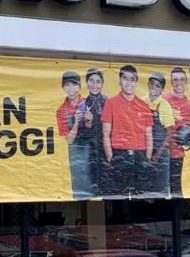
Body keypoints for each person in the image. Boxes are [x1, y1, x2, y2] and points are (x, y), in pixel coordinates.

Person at [102, 64, 153, 196]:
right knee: (118, 199)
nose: (128, 82)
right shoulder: (111, 103)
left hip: (140, 156)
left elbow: (149, 135)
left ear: (136, 82)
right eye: (125, 78)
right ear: (120, 81)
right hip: (119, 155)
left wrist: (146, 159)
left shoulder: (144, 106)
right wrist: (110, 157)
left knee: (139, 199)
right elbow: (105, 133)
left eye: (132, 79)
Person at [56, 70, 95, 199]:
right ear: (63, 88)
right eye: (67, 85)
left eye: (74, 85)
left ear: (79, 87)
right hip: (76, 152)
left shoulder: (89, 103)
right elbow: (69, 140)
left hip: (94, 148)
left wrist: (89, 119)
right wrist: (76, 123)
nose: (71, 89)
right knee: (81, 183)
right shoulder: (62, 111)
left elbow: (98, 129)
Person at [143, 71, 176, 197]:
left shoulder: (164, 105)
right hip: (144, 150)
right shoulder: (141, 102)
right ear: (148, 85)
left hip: (160, 152)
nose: (154, 88)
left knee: (160, 188)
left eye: (157, 86)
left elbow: (170, 133)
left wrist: (158, 154)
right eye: (152, 84)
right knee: (144, 189)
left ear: (161, 89)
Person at [165, 67, 190, 197]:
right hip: (162, 152)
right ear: (171, 82)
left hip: (177, 154)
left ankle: (177, 218)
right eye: (175, 80)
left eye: (182, 79)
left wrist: (186, 131)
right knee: (160, 189)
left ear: (186, 82)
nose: (178, 83)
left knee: (176, 189)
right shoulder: (163, 99)